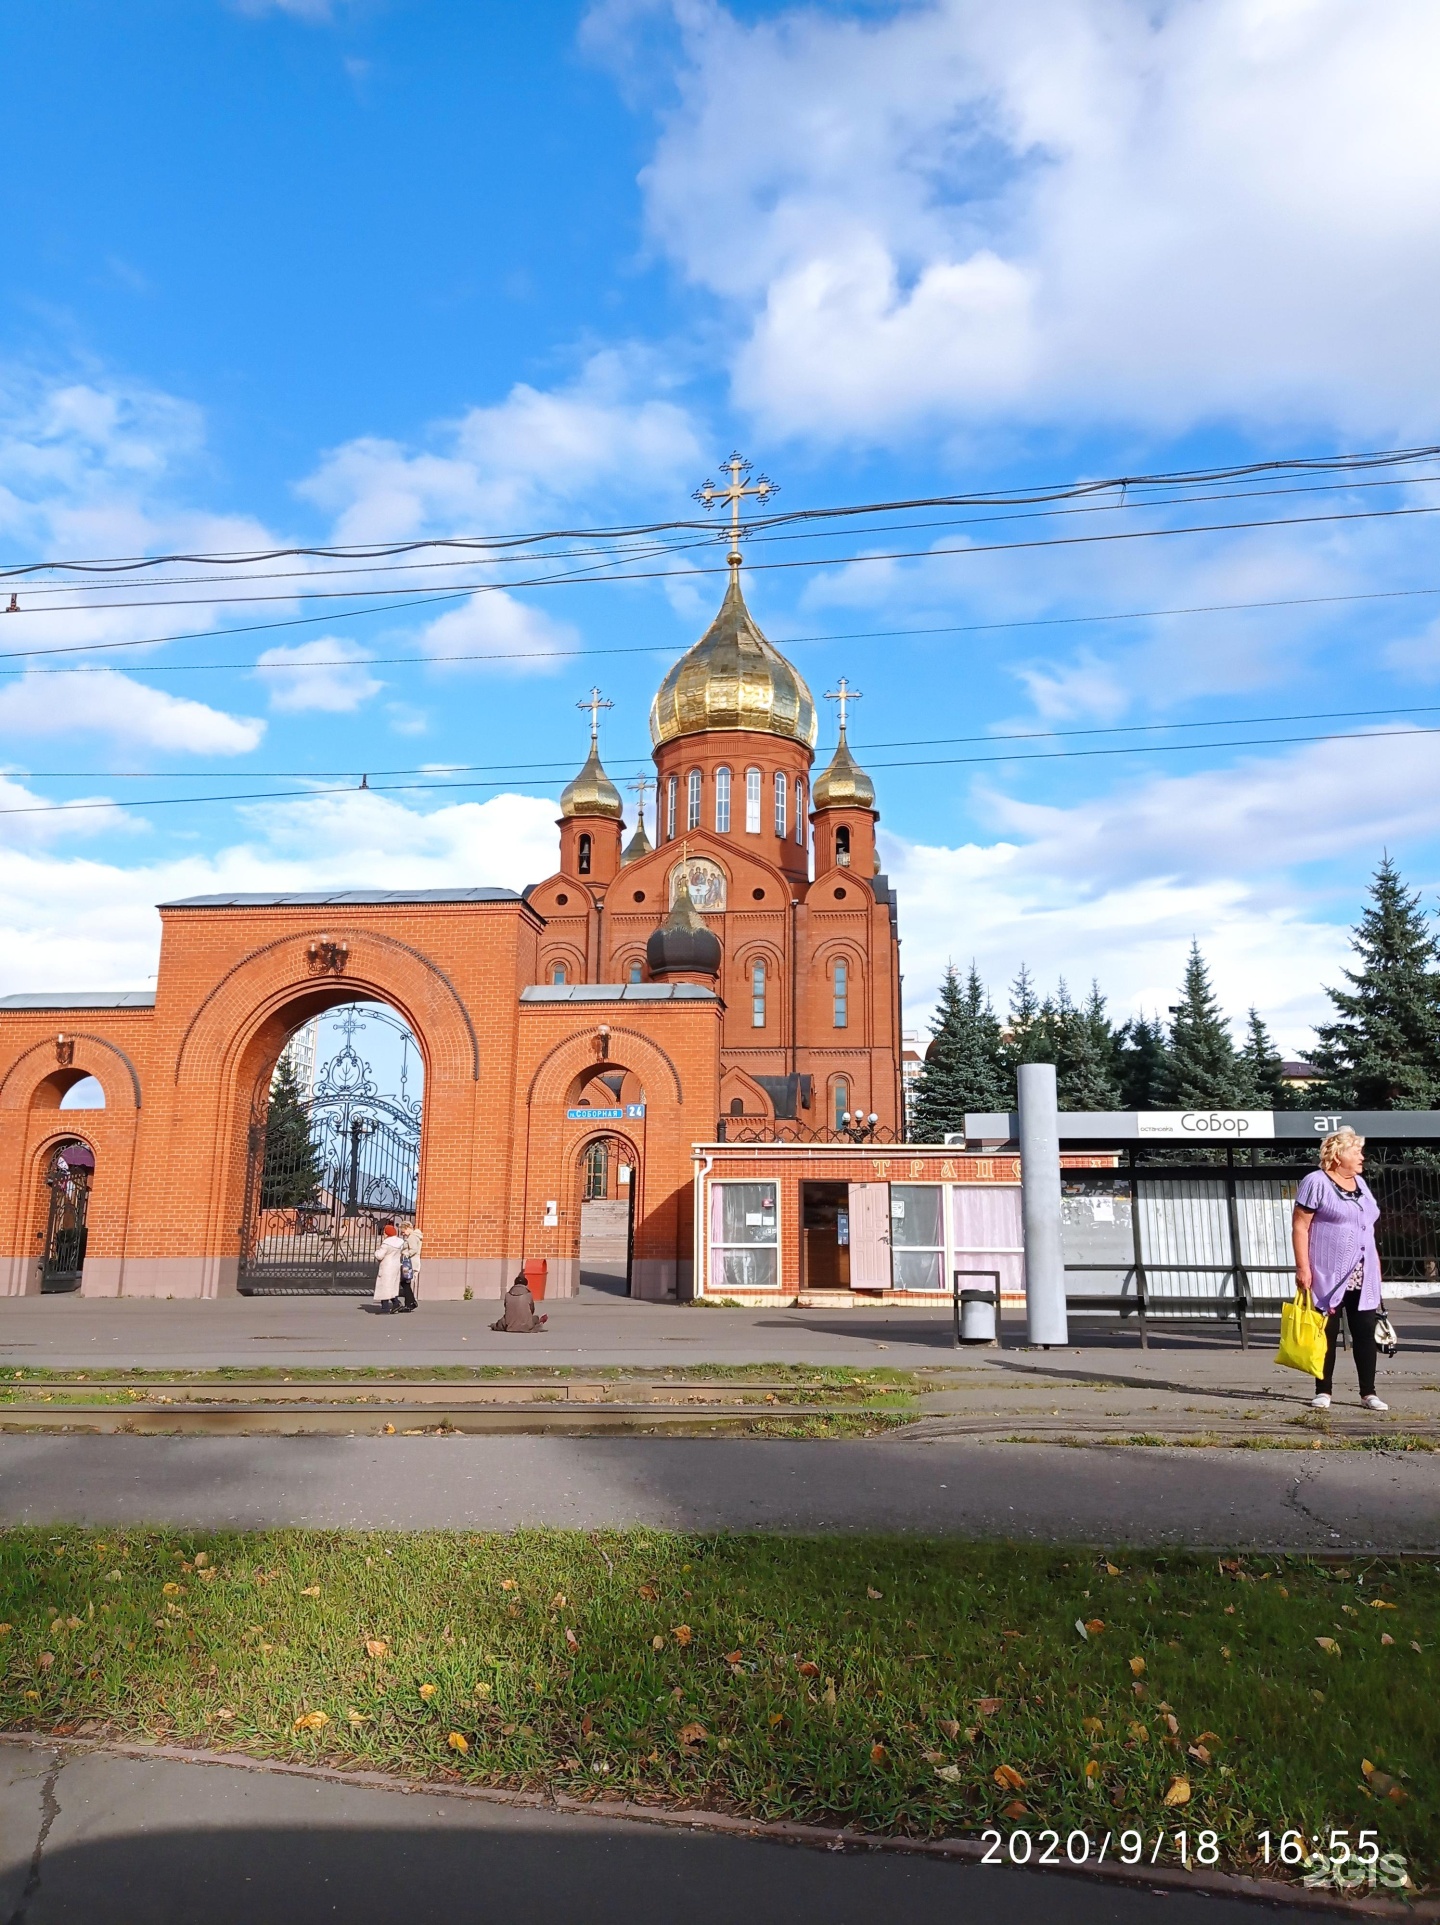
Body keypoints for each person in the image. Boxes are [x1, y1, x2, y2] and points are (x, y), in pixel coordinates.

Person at [1291, 1127, 1388, 1412]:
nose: (1362, 1157)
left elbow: (1367, 1227)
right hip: (1326, 1273)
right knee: (1325, 1333)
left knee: (1365, 1332)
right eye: (1355, 1151)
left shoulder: (1360, 1183)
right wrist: (1302, 1267)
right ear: (1338, 1155)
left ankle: (1368, 1393)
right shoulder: (1316, 1181)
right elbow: (1300, 1225)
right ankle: (1323, 1390)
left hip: (1363, 1272)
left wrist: (1377, 1270)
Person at [371, 1220, 406, 1314]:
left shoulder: (386, 1243)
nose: (383, 1234)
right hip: (395, 1265)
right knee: (392, 1285)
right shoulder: (400, 1242)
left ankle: (386, 1307)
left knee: (385, 1286)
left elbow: (380, 1256)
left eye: (384, 1232)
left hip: (387, 1266)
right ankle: (395, 1304)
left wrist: (376, 1252)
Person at [398, 1223, 422, 1313]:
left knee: (405, 1282)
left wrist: (405, 1254)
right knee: (406, 1283)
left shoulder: (412, 1237)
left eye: (403, 1232)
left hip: (409, 1263)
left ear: (407, 1228)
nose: (402, 1234)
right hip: (413, 1262)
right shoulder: (416, 1236)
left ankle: (409, 1304)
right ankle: (411, 1302)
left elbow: (414, 1249)